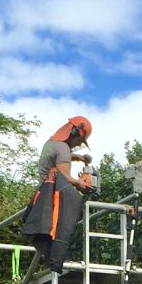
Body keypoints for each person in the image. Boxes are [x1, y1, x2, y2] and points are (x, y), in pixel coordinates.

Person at [22, 116, 93, 273]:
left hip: (43, 194)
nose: (80, 144)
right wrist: (80, 184)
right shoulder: (63, 149)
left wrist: (79, 157)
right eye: (80, 140)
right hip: (54, 196)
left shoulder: (51, 143)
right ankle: (59, 256)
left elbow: (60, 157)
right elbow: (64, 177)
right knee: (72, 208)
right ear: (74, 132)